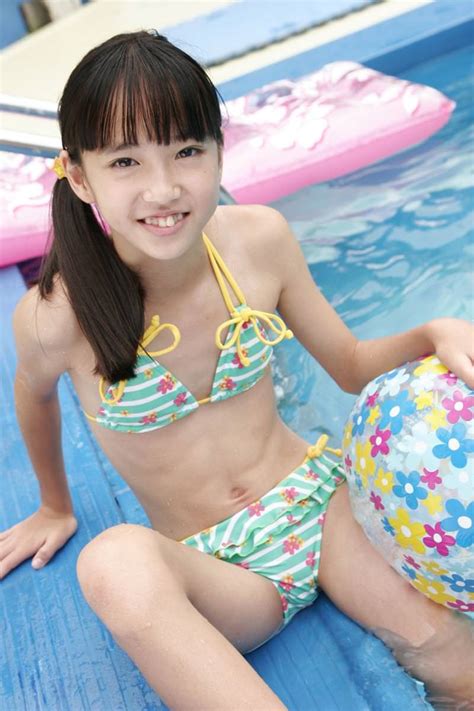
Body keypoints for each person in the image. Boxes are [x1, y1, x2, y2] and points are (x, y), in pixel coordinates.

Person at [1, 31, 473, 710]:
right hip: (216, 565)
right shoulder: (57, 316)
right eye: (126, 161)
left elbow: (348, 366)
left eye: (186, 151)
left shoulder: (259, 241)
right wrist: (55, 504)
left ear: (220, 150)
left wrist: (431, 332)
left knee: (456, 659)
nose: (164, 188)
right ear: (79, 177)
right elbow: (33, 394)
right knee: (112, 563)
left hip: (320, 507)